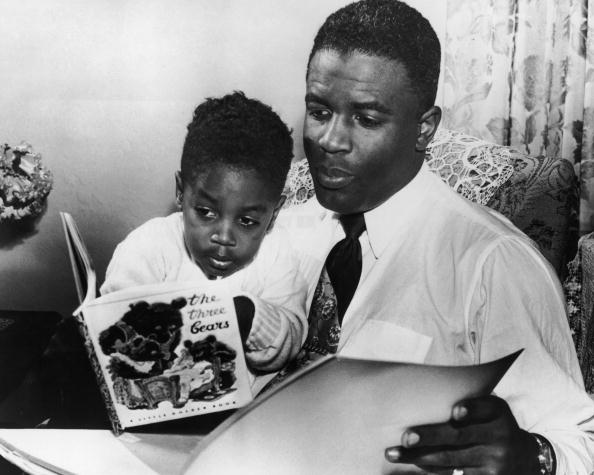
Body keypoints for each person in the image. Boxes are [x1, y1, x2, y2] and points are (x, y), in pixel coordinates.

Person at [279, 0, 594, 473]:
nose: (329, 140)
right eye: (319, 111)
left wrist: (534, 456)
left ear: (424, 129)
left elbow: (581, 443)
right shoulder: (285, 228)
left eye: (365, 119)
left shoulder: (493, 264)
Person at [101, 91, 306, 373]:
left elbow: (291, 339)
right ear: (180, 193)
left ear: (274, 215)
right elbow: (112, 318)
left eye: (247, 221)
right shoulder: (147, 247)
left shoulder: (277, 254)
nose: (224, 236)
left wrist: (247, 315)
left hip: (240, 414)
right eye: (206, 212)